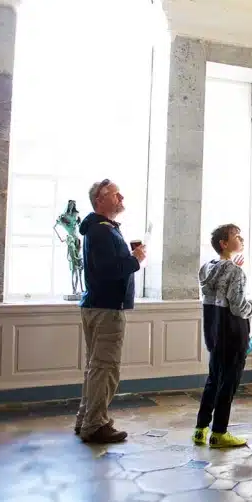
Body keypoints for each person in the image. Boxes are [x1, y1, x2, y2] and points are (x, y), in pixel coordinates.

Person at [75, 179, 146, 443]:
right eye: (116, 195)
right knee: (106, 368)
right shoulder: (102, 231)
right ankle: (95, 424)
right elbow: (109, 271)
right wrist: (135, 260)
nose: (121, 197)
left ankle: (85, 418)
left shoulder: (99, 229)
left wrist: (128, 259)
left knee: (96, 367)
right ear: (100, 200)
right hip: (106, 308)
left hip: (97, 305)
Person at [193, 224, 252, 449]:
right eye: (236, 236)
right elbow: (240, 307)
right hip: (232, 332)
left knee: (213, 379)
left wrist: (233, 267)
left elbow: (220, 286)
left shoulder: (207, 268)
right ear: (224, 243)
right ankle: (220, 432)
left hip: (213, 331)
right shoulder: (235, 271)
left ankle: (200, 429)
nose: (241, 239)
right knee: (229, 383)